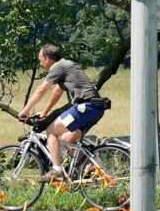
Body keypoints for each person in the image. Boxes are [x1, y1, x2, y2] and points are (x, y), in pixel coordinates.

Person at [19, 44, 111, 182]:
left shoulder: (57, 67)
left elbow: (41, 90)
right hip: (94, 109)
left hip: (85, 107)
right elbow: (57, 91)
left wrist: (25, 110)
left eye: (40, 59)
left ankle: (57, 171)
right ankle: (99, 174)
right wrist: (45, 111)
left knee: (51, 131)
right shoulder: (66, 65)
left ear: (48, 58)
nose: (40, 63)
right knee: (67, 139)